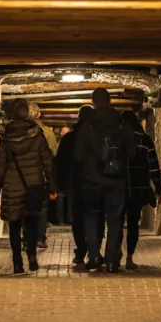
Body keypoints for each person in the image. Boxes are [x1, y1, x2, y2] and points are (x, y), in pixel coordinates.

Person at [0, 99, 58, 274]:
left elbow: (0, 167)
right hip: (33, 184)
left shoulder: (6, 137)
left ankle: (17, 262)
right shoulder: (37, 134)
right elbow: (47, 162)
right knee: (32, 221)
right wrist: (52, 188)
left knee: (14, 225)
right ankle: (32, 256)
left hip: (12, 185)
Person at [74, 88, 137, 273]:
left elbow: (78, 155)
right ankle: (111, 260)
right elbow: (132, 153)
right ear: (110, 101)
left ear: (93, 101)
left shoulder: (88, 126)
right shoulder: (122, 125)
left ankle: (93, 255)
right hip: (116, 181)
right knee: (115, 220)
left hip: (92, 180)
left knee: (92, 217)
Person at [55, 105, 105, 266]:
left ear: (78, 117)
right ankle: (95, 250)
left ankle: (81, 250)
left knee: (78, 220)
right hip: (96, 183)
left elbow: (60, 163)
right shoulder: (100, 135)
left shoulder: (69, 138)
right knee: (97, 217)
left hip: (75, 185)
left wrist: (60, 185)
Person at [120, 110, 161, 270]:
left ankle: (115, 255)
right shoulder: (145, 140)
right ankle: (129, 258)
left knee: (116, 222)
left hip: (118, 188)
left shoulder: (116, 139)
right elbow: (153, 166)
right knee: (133, 223)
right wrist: (159, 188)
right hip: (138, 189)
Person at [28, 101, 57, 249]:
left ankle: (27, 239)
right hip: (41, 176)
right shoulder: (47, 132)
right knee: (42, 208)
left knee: (24, 207)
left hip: (22, 176)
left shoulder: (15, 130)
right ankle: (40, 238)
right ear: (39, 114)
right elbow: (53, 154)